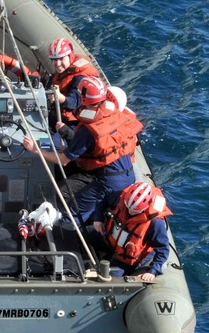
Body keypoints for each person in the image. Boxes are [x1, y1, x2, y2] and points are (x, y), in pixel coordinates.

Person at [23, 76, 143, 227]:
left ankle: (65, 233)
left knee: (65, 202)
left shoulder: (89, 130)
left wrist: (36, 150)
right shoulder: (114, 116)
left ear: (84, 99)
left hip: (107, 180)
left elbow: (63, 160)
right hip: (127, 174)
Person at [93, 181, 172, 282]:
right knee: (80, 234)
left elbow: (163, 249)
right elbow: (103, 200)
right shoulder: (120, 197)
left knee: (109, 280)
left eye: (135, 210)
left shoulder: (155, 223)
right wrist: (98, 218)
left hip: (125, 259)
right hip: (109, 238)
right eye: (128, 207)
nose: (130, 212)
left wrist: (153, 270)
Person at [45, 37, 101, 133]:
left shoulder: (80, 78)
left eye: (61, 59)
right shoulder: (64, 70)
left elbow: (74, 103)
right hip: (58, 113)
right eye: (54, 60)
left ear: (70, 56)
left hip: (73, 123)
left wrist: (60, 97)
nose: (57, 64)